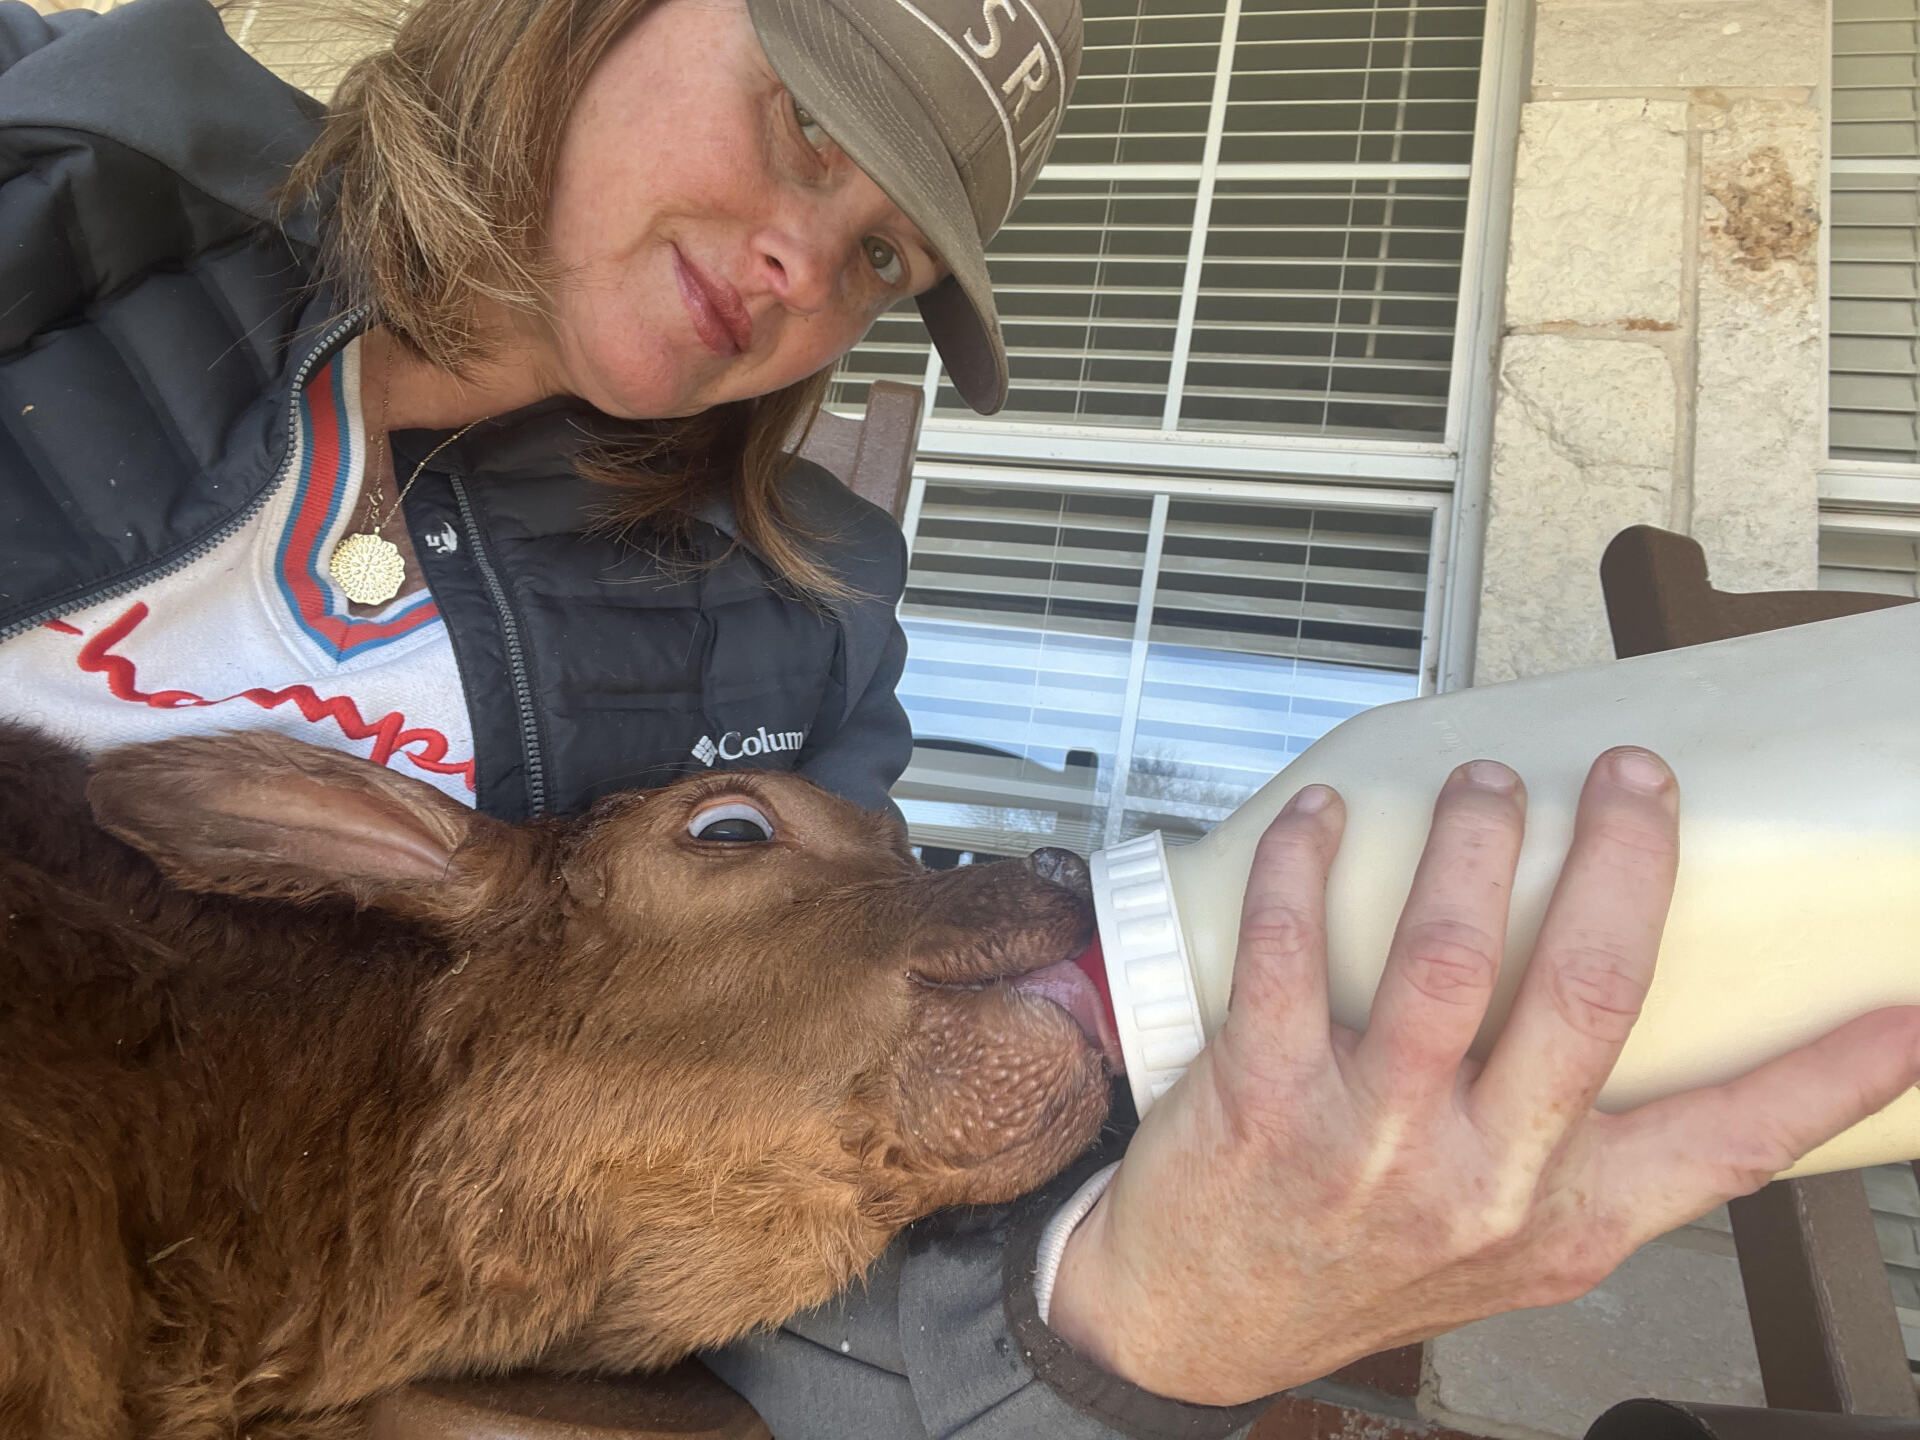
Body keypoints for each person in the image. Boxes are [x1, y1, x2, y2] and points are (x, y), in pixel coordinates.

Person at [3, 0, 1916, 1435]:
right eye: (797, 120)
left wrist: (1137, 1321)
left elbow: (810, 1231)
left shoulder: (790, 642)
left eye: (881, 261)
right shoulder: (68, 191)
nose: (798, 268)